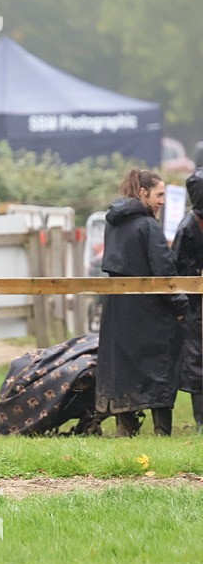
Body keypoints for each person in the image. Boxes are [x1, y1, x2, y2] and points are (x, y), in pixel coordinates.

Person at [97, 168, 187, 436]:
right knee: (159, 368)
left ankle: (125, 430)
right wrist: (180, 305)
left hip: (118, 309)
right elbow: (164, 272)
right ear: (143, 193)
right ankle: (162, 432)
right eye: (159, 195)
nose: (162, 201)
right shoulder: (148, 225)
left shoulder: (112, 224)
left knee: (123, 367)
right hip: (150, 311)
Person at [171, 168, 203, 434]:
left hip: (196, 307)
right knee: (197, 363)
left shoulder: (189, 224)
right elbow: (179, 271)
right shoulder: (189, 226)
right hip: (196, 307)